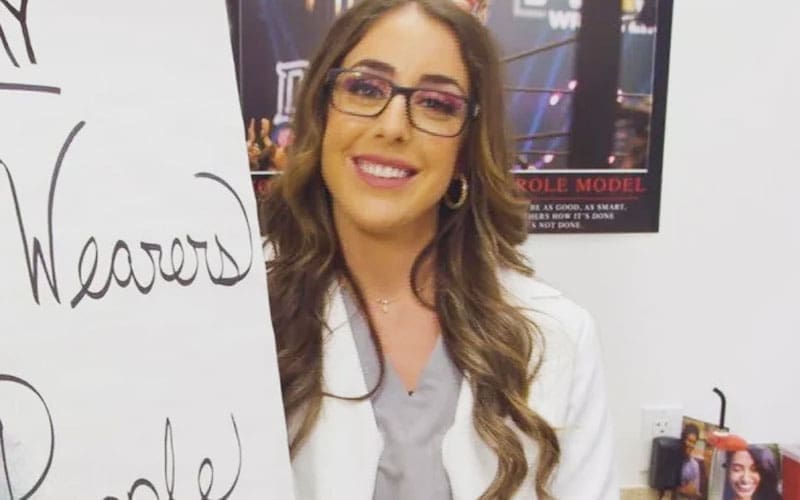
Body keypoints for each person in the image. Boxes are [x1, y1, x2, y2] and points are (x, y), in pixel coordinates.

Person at [262, 0, 616, 498]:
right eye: (365, 88)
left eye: (436, 103)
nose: (392, 126)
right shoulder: (244, 310)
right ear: (322, 112)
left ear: (468, 147)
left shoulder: (558, 336)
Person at [677, 423, 704, 498]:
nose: (691, 445)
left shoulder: (694, 465)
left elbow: (695, 493)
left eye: (694, 442)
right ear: (683, 439)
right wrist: (682, 490)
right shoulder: (673, 459)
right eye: (689, 440)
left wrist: (694, 493)